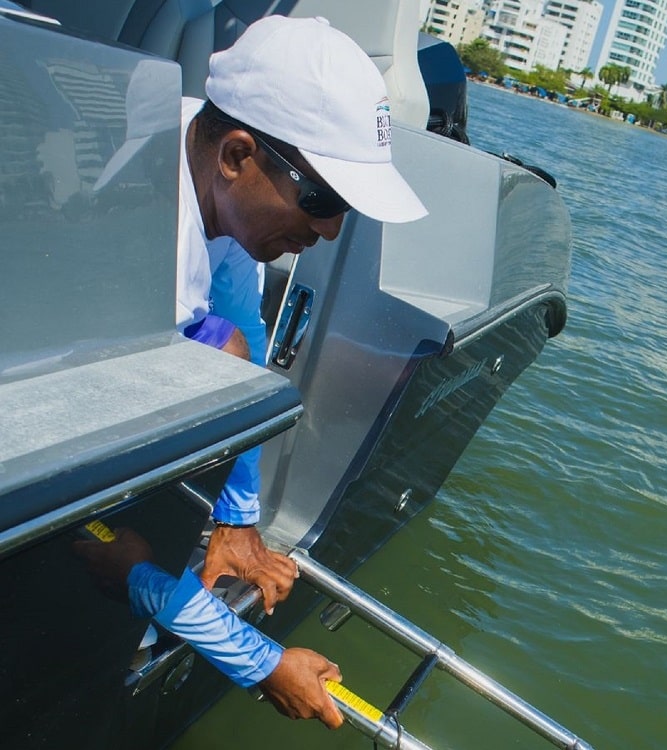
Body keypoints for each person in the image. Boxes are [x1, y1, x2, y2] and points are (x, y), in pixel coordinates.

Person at [86, 14, 427, 728]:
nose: (330, 229)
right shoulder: (125, 252)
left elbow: (242, 334)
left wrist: (236, 519)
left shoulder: (200, 152)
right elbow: (91, 542)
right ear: (239, 155)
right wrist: (260, 661)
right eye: (322, 200)